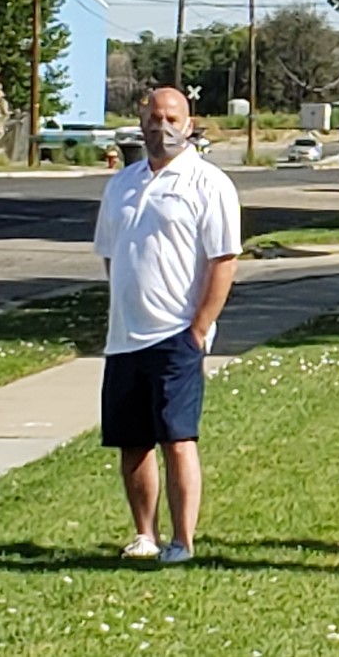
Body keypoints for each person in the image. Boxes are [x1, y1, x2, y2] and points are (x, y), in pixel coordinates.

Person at [93, 87, 241, 565]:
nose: (163, 126)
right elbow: (112, 255)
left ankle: (182, 541)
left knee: (177, 439)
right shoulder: (122, 183)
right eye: (155, 117)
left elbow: (224, 259)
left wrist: (199, 327)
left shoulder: (208, 183)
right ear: (141, 122)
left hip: (177, 334)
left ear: (190, 122)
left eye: (173, 117)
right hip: (125, 335)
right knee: (133, 442)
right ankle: (144, 534)